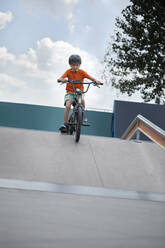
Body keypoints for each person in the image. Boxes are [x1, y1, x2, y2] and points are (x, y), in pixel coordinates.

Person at [57, 54, 101, 132]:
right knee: (68, 106)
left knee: (82, 101)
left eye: (77, 65)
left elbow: (90, 77)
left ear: (79, 65)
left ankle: (82, 115)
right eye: (73, 65)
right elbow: (61, 77)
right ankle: (65, 123)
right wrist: (61, 79)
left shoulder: (82, 72)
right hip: (70, 92)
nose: (75, 67)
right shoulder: (68, 71)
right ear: (70, 65)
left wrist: (96, 81)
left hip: (79, 93)